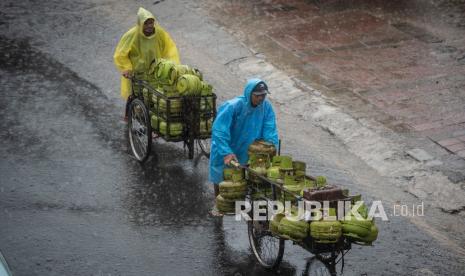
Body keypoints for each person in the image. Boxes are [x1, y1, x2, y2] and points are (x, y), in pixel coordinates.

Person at [209, 78, 279, 215]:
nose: (261, 98)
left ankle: (246, 203)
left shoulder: (266, 108)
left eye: (263, 95)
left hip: (248, 148)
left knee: (250, 175)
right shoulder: (233, 106)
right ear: (249, 93)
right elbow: (219, 130)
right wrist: (226, 152)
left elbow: (270, 128)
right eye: (257, 95)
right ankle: (218, 203)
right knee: (220, 175)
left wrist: (270, 147)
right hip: (227, 146)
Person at [113, 7, 180, 120]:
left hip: (155, 72)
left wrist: (172, 65)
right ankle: (128, 117)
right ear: (140, 24)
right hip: (137, 73)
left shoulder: (159, 33)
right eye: (146, 23)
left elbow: (169, 49)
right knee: (134, 96)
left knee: (155, 97)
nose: (149, 26)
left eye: (151, 22)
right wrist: (127, 68)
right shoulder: (131, 35)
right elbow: (120, 54)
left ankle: (150, 122)